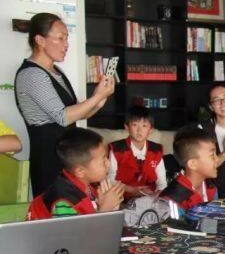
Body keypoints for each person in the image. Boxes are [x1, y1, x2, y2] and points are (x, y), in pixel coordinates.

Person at [15, 12, 115, 195]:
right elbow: (63, 116)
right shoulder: (31, 74)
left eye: (67, 38)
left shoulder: (56, 71)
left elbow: (78, 113)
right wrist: (96, 97)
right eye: (60, 38)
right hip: (49, 160)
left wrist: (100, 99)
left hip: (68, 157)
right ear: (40, 40)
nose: (66, 44)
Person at [26, 127, 124, 220]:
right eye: (103, 160)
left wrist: (107, 206)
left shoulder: (88, 182)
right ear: (80, 171)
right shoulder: (64, 203)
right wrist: (105, 209)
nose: (108, 163)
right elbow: (74, 232)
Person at [161, 127, 225, 214]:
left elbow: (210, 220)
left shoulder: (210, 187)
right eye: (212, 155)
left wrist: (222, 210)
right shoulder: (172, 200)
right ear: (193, 164)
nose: (217, 159)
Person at [108, 106, 167, 198]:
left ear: (151, 129)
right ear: (127, 127)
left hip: (149, 197)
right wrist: (131, 189)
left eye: (144, 126)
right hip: (121, 197)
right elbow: (110, 179)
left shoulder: (156, 150)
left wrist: (158, 195)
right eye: (135, 125)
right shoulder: (116, 149)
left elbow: (162, 182)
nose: (139, 130)